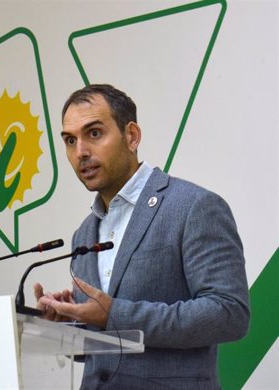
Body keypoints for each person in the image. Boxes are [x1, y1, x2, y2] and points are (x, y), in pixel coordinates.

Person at [34, 84, 250, 389]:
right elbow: (103, 351)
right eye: (70, 140)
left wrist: (114, 314)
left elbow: (229, 313)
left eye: (94, 133)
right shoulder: (83, 233)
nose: (80, 151)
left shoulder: (193, 207)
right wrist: (71, 324)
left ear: (131, 136)